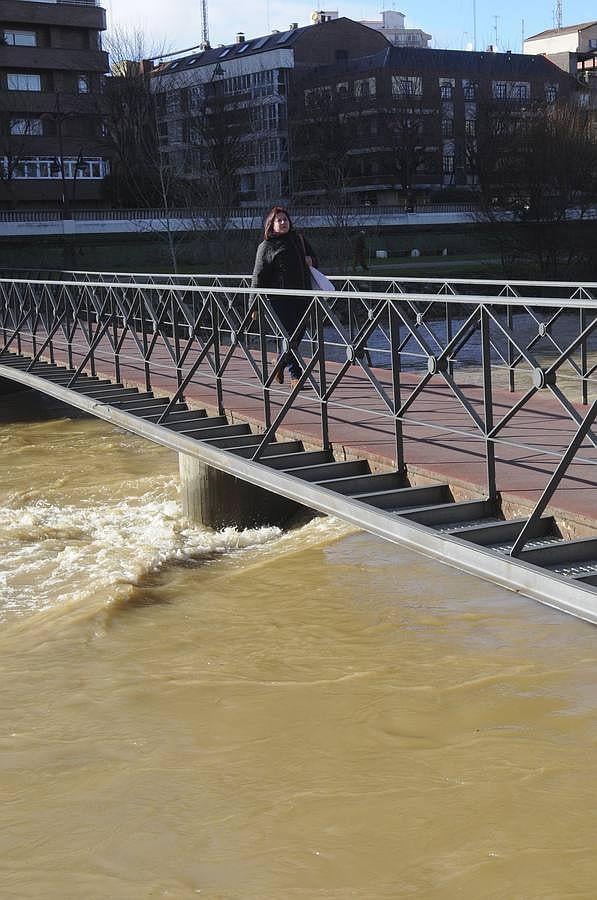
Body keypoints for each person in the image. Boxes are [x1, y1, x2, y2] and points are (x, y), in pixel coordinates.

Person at [251, 205, 318, 387]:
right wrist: (254, 305)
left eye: (285, 219)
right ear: (271, 225)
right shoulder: (266, 246)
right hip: (279, 299)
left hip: (303, 296)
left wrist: (311, 260)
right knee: (290, 336)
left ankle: (280, 363)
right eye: (278, 220)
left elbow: (315, 259)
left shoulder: (299, 240)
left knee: (297, 336)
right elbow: (258, 275)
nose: (283, 222)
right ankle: (296, 376)